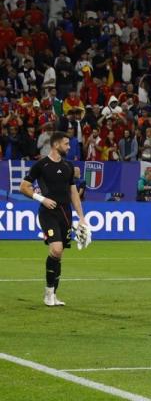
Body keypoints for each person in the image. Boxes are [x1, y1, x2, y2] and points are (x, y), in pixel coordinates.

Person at [20, 131, 88, 307]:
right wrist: (41, 199)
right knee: (56, 249)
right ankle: (49, 293)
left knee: (59, 255)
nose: (69, 147)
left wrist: (81, 218)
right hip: (47, 212)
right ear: (56, 145)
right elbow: (24, 186)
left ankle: (51, 293)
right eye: (66, 144)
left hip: (65, 213)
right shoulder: (41, 165)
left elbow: (73, 193)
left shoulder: (68, 166)